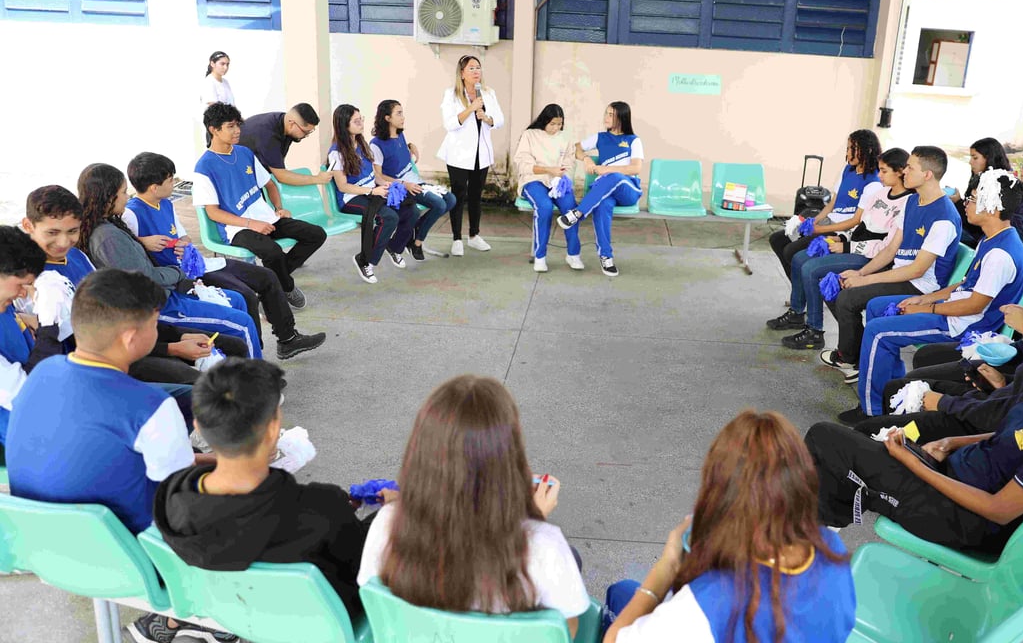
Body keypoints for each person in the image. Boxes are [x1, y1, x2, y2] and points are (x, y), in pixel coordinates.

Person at [806, 289, 1023, 552]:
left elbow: (999, 510)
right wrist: (951, 443)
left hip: (962, 519)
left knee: (826, 441)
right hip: (956, 474)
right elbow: (1016, 436)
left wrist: (915, 463)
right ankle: (816, 541)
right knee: (855, 450)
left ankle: (809, 548)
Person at [5, 269, 232, 643]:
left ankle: (173, 625)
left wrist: (200, 461)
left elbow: (101, 459)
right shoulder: (150, 408)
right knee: (252, 500)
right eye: (155, 324)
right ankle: (206, 621)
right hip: (130, 561)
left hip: (45, 549)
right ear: (131, 337)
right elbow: (181, 503)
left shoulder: (40, 374)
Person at [357, 375, 589, 636]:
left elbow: (375, 602)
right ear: (510, 457)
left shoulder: (386, 524)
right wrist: (534, 525)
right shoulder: (544, 547)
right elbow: (563, 632)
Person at [602, 411, 854, 643]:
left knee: (619, 597)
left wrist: (664, 570)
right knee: (622, 591)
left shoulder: (708, 603)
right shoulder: (832, 549)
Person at [154, 358, 370, 619]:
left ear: (198, 427)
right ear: (273, 430)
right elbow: (363, 573)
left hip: (227, 614)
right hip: (318, 624)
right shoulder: (322, 509)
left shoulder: (171, 498)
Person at [852, 259, 1023, 441]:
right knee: (899, 388)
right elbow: (1010, 402)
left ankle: (896, 446)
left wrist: (941, 403)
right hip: (986, 403)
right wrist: (999, 383)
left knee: (868, 427)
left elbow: (999, 422)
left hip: (975, 418)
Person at [841, 171, 1023, 422]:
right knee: (877, 307)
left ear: (993, 208)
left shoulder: (1001, 254)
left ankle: (872, 412)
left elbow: (974, 305)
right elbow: (965, 284)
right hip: (952, 309)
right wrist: (925, 299)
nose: (966, 203)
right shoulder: (992, 238)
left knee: (878, 332)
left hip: (966, 327)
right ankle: (891, 390)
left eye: (972, 198)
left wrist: (926, 310)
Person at [20, 185, 249, 391]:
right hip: (101, 364)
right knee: (198, 386)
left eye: (72, 231)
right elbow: (81, 346)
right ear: (28, 225)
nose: (63, 242)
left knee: (233, 346)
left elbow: (115, 314)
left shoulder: (77, 256)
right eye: (52, 232)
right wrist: (172, 348)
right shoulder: (26, 281)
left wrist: (175, 337)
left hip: (128, 336)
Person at [124, 152, 325, 360]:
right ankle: (254, 356)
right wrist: (143, 242)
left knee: (266, 276)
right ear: (154, 187)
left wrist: (184, 243)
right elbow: (126, 250)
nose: (173, 183)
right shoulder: (131, 213)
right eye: (169, 179)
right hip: (179, 276)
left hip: (196, 263)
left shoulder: (165, 203)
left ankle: (288, 339)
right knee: (245, 295)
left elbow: (182, 234)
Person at [78, 163, 265, 358]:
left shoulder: (112, 223)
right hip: (158, 307)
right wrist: (178, 272)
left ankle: (242, 372)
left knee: (238, 299)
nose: (127, 197)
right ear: (108, 198)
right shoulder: (108, 236)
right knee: (242, 324)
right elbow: (147, 278)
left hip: (168, 292)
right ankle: (259, 385)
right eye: (123, 192)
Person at [820, 146, 962, 385]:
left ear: (927, 175)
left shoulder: (944, 216)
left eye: (910, 167)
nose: (904, 171)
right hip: (900, 273)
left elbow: (916, 270)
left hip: (919, 286)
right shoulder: (912, 201)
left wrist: (864, 281)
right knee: (838, 284)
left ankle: (850, 358)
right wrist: (860, 272)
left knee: (848, 298)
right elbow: (890, 250)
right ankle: (857, 352)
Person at [775, 148, 912, 351]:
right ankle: (797, 313)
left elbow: (885, 247)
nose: (879, 175)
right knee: (799, 258)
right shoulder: (881, 193)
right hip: (853, 246)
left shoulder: (906, 203)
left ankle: (815, 331)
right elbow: (860, 227)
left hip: (871, 258)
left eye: (884, 171)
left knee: (811, 269)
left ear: (900, 171)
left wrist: (845, 246)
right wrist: (838, 237)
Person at [194, 103, 327, 308]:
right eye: (230, 126)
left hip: (267, 217)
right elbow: (213, 212)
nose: (237, 130)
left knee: (316, 234)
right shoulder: (204, 167)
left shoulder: (245, 153)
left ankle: (272, 281)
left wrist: (278, 207)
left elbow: (270, 184)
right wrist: (250, 223)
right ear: (214, 130)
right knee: (272, 252)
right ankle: (286, 287)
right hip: (236, 227)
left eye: (238, 125)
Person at [768, 129, 882, 280]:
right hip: (828, 222)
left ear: (868, 150)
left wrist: (821, 229)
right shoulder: (847, 169)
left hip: (842, 231)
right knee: (777, 239)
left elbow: (855, 221)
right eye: (847, 148)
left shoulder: (873, 182)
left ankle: (803, 289)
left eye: (852, 149)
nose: (848, 153)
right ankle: (799, 285)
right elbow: (832, 203)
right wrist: (814, 221)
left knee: (791, 251)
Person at [328, 103, 418, 282]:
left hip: (372, 191)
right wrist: (372, 191)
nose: (361, 123)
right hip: (351, 198)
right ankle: (365, 260)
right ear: (344, 125)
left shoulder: (362, 144)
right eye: (356, 121)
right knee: (389, 217)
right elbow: (343, 187)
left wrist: (388, 186)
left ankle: (394, 246)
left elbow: (374, 175)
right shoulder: (336, 153)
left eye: (361, 118)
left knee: (411, 210)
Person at [556, 102, 645, 278]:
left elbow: (635, 168)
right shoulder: (600, 137)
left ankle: (578, 213)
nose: (606, 117)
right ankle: (606, 256)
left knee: (614, 176)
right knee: (602, 205)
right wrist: (587, 159)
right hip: (606, 190)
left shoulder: (633, 140)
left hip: (628, 189)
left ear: (622, 117)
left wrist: (607, 169)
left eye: (611, 115)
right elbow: (576, 149)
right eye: (606, 113)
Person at [371, 99, 455, 261]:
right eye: (399, 113)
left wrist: (411, 146)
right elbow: (378, 177)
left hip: (415, 181)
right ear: (387, 118)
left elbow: (399, 149)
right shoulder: (376, 144)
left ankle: (417, 229)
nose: (403, 117)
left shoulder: (400, 134)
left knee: (450, 199)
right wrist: (404, 184)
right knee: (439, 204)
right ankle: (416, 243)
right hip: (402, 187)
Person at [438, 55, 504, 256]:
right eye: (472, 68)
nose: (477, 72)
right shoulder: (451, 94)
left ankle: (474, 236)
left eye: (479, 68)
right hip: (458, 154)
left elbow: (500, 120)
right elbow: (450, 124)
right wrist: (471, 108)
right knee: (458, 195)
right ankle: (456, 238)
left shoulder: (487, 93)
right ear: (462, 73)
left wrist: (487, 118)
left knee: (476, 196)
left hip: (480, 154)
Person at [514, 104, 583, 272]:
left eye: (559, 124)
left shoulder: (564, 137)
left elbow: (569, 161)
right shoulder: (529, 135)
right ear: (544, 120)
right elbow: (523, 164)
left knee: (570, 207)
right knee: (544, 207)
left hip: (557, 181)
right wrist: (548, 170)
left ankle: (573, 254)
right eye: (552, 124)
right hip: (533, 180)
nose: (556, 128)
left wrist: (562, 177)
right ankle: (540, 256)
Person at [0, 227, 44, 454]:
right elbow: (23, 395)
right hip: (26, 440)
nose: (23, 294)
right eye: (20, 285)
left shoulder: (5, 307)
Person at [237, 103, 335, 187]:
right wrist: (317, 179)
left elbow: (279, 168)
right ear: (292, 124)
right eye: (305, 132)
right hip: (239, 175)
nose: (306, 136)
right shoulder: (268, 134)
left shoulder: (285, 124)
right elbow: (281, 176)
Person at [947, 138, 1010, 247]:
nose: (970, 162)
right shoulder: (979, 178)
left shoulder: (997, 184)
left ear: (989, 158)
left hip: (979, 238)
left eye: (975, 158)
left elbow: (975, 222)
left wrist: (957, 202)